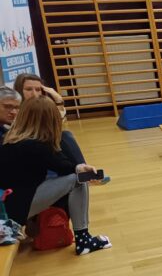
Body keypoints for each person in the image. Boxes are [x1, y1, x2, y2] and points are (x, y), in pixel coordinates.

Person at [0, 97, 111, 255]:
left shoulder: (8, 141)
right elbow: (66, 168)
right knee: (77, 180)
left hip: (7, 205)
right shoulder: (36, 147)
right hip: (15, 210)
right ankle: (83, 239)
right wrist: (80, 168)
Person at [13, 73, 87, 168]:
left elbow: (56, 123)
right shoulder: (13, 109)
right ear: (19, 90)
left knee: (63, 135)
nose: (34, 94)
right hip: (23, 150)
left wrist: (58, 100)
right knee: (62, 137)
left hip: (39, 147)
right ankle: (81, 170)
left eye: (38, 89)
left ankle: (83, 170)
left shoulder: (41, 107)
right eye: (28, 89)